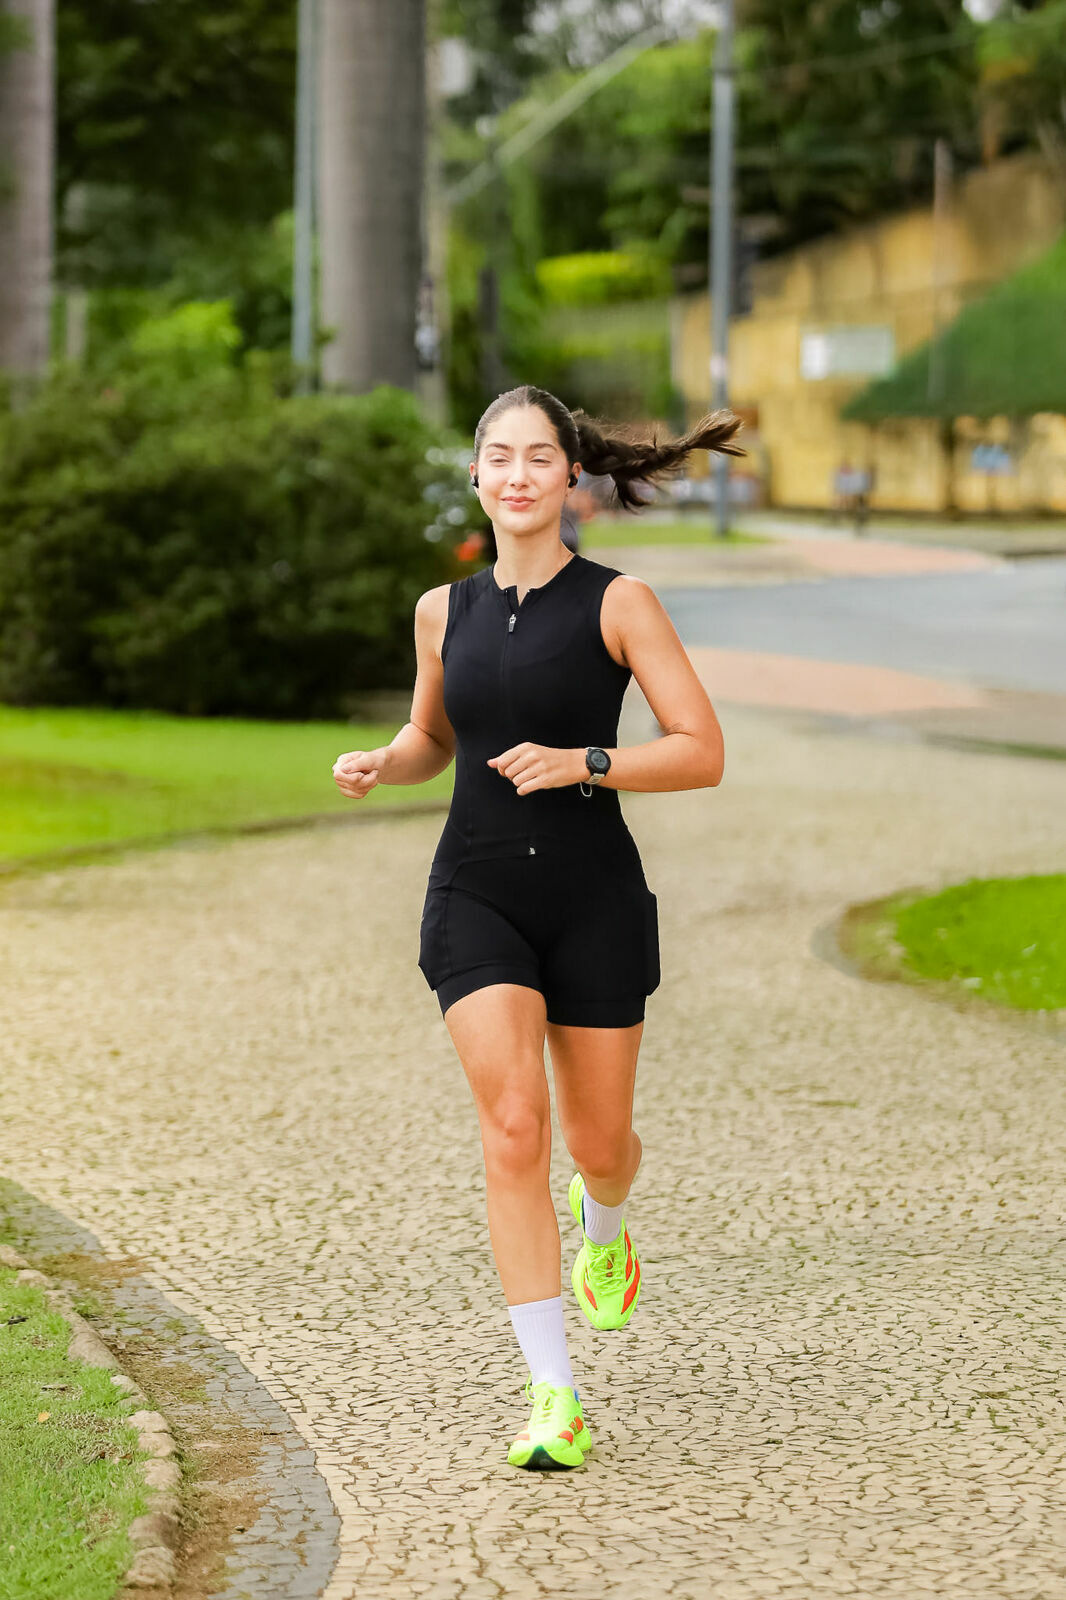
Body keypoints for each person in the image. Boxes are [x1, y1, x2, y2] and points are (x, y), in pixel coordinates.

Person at [331, 385, 742, 1471]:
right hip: (475, 891)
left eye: (537, 458)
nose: (516, 475)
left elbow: (699, 749)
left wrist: (585, 762)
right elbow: (432, 733)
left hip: (594, 893)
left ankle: (605, 1224)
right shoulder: (441, 610)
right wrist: (386, 759)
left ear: (571, 478)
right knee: (514, 1124)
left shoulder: (621, 604)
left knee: (599, 1145)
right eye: (496, 457)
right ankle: (553, 1393)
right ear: (475, 476)